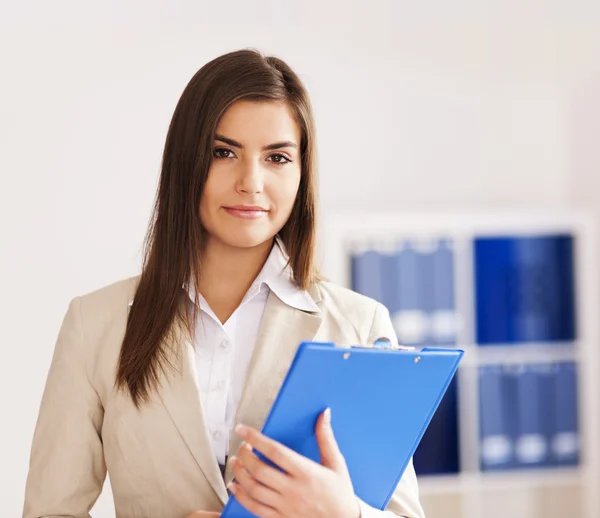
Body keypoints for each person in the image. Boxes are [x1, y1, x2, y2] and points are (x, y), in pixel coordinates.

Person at [23, 49, 425, 518]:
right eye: (224, 152)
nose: (251, 182)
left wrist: (344, 514)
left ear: (301, 173)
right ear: (186, 163)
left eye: (277, 157)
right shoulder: (95, 325)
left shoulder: (358, 324)